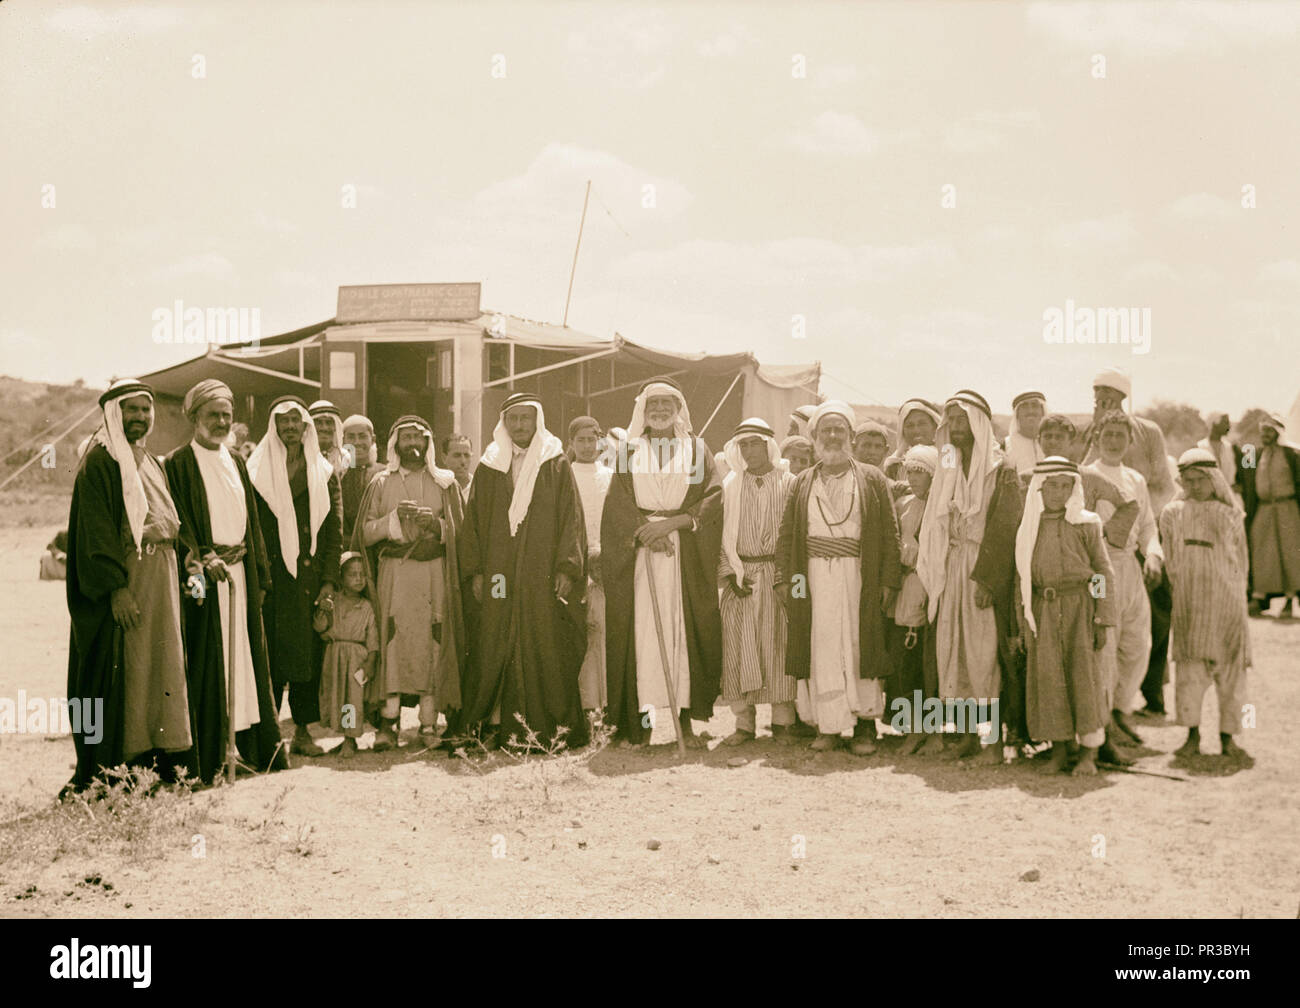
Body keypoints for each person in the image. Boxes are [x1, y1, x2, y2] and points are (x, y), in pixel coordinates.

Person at [65, 379, 192, 793]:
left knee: (159, 669)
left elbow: (166, 520)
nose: (139, 417)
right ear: (113, 413)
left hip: (161, 579)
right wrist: (116, 589)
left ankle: (157, 761)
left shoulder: (148, 459)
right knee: (130, 671)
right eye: (130, 410)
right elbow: (96, 533)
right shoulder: (100, 461)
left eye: (145, 410)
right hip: (128, 582)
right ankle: (118, 767)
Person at [164, 379, 288, 784]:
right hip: (205, 578)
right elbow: (179, 522)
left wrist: (261, 576)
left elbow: (251, 524)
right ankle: (212, 756)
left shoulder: (235, 460)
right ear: (194, 417)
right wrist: (201, 555)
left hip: (240, 575)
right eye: (212, 415)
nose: (220, 422)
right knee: (209, 663)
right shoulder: (178, 463)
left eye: (226, 415)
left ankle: (248, 750)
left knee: (247, 665)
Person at [459, 393, 588, 750]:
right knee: (495, 636)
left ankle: (547, 729)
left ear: (537, 421)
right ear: (505, 422)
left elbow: (571, 519)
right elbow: (474, 523)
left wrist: (567, 566)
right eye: (513, 418)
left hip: (540, 574)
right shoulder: (490, 466)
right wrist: (477, 572)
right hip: (499, 575)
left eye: (525, 419)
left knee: (543, 640)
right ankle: (495, 726)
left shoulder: (555, 463)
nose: (519, 425)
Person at [776, 401, 901, 754]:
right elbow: (787, 535)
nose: (833, 436)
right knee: (820, 648)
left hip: (858, 578)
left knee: (860, 646)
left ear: (850, 436)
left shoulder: (872, 478)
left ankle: (864, 728)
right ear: (814, 437)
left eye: (840, 430)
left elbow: (890, 534)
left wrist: (888, 582)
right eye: (826, 430)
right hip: (811, 578)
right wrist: (786, 582)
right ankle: (828, 727)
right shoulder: (802, 481)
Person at [603, 378, 723, 748]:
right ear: (643, 410)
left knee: (681, 635)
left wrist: (671, 525)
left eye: (666, 405)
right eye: (652, 405)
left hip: (684, 552)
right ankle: (642, 726)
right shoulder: (627, 451)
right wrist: (645, 534)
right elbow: (618, 505)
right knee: (643, 639)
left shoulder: (696, 450)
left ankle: (684, 724)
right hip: (640, 555)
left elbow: (712, 498)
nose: (659, 411)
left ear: (678, 409)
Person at [917, 390, 1022, 763]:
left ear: (978, 423)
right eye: (952, 421)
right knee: (953, 653)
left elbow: (1006, 528)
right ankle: (965, 738)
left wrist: (988, 580)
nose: (956, 428)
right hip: (952, 567)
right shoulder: (949, 462)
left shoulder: (1001, 469)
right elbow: (934, 517)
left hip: (982, 571)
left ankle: (992, 745)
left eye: (963, 420)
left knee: (983, 657)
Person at [353, 415, 466, 749]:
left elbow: (460, 533)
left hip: (433, 575)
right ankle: (388, 724)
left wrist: (436, 526)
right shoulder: (381, 483)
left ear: (428, 443)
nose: (413, 444)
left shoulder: (446, 483)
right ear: (395, 444)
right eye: (406, 438)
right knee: (392, 641)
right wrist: (393, 520)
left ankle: (428, 726)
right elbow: (364, 533)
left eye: (419, 437)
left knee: (433, 642)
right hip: (395, 574)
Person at [248, 396, 343, 758]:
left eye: (296, 421)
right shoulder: (254, 472)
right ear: (274, 426)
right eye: (283, 421)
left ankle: (303, 732)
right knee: (269, 655)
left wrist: (329, 583)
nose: (290, 427)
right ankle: (269, 737)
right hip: (271, 581)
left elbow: (334, 532)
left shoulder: (323, 472)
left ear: (305, 428)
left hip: (308, 580)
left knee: (306, 657)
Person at [1011, 458, 1115, 775]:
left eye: (1064, 485)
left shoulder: (1087, 523)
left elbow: (1101, 572)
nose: (1057, 492)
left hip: (1079, 609)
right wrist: (1023, 622)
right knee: (1049, 680)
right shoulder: (1029, 527)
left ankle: (1088, 754)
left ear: (1073, 488)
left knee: (1083, 677)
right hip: (1042, 609)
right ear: (1038, 489)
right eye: (1050, 485)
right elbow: (1021, 579)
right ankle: (1057, 750)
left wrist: (1101, 616)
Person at [1160, 449, 1251, 758]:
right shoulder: (1172, 513)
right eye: (1189, 480)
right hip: (1189, 605)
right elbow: (1171, 557)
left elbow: (1242, 562)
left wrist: (1238, 597)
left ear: (1215, 480)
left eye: (1201, 480)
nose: (1195, 486)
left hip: (1226, 603)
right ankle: (1191, 734)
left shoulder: (1231, 514)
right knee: (1189, 672)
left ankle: (1229, 737)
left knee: (1231, 673)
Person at [1083, 411, 1164, 755]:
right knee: (1105, 643)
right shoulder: (1086, 475)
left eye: (1120, 435)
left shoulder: (1136, 479)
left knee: (1137, 644)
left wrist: (1154, 554)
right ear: (1098, 437)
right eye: (1108, 434)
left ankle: (1121, 709)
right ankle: (1102, 721)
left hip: (1130, 565)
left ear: (1130, 441)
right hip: (1099, 569)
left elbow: (1146, 524)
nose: (1113, 441)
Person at [718, 419, 799, 745]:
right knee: (738, 649)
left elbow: (796, 536)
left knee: (779, 647)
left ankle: (783, 723)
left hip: (778, 577)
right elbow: (719, 538)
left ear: (769, 445)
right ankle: (743, 724)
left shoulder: (790, 482)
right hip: (741, 578)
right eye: (744, 445)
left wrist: (788, 582)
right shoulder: (729, 486)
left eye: (756, 443)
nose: (750, 451)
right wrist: (728, 574)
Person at [887, 445, 941, 754]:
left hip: (933, 589)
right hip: (907, 589)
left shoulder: (944, 508)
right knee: (906, 661)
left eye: (921, 471)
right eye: (910, 471)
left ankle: (933, 731)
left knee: (930, 664)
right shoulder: (903, 505)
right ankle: (914, 728)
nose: (914, 477)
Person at [1074, 367, 1175, 515]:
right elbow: (1081, 479)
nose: (1100, 394)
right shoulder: (1083, 431)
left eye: (1107, 390)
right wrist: (1098, 428)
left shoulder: (1148, 431)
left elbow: (1162, 485)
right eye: (1097, 389)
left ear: (1122, 395)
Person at [313, 552, 378, 757]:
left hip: (356, 661)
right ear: (341, 578)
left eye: (362, 574)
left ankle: (350, 740)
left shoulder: (366, 607)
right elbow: (321, 630)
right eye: (352, 574)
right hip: (335, 658)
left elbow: (373, 639)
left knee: (352, 700)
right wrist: (323, 612)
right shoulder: (335, 602)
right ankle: (343, 738)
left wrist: (370, 662)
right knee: (337, 698)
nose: (358, 579)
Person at [568, 416, 612, 718]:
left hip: (606, 569)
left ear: (600, 441)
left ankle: (607, 706)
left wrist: (603, 557)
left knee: (604, 635)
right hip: (574, 569)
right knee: (579, 635)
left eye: (591, 439)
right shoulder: (562, 476)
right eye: (581, 440)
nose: (587, 445)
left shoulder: (611, 476)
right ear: (571, 443)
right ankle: (582, 707)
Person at [1241, 413, 1300, 618]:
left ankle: (1290, 599)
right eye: (1263, 430)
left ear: (1278, 433)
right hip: (1263, 509)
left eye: (1269, 430)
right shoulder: (1252, 454)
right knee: (1262, 552)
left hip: (1288, 508)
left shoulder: (1292, 454)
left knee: (1290, 554)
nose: (1265, 434)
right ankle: (1259, 597)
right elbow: (1245, 477)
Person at [339, 414, 384, 542]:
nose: (357, 442)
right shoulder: (335, 474)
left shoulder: (385, 473)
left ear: (373, 439)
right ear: (343, 440)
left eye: (362, 436)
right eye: (351, 437)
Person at [883, 398, 941, 479]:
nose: (916, 430)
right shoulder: (894, 467)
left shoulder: (948, 460)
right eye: (910, 426)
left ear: (934, 426)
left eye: (922, 424)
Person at [1003, 391, 1046, 478]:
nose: (1030, 411)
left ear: (1042, 411)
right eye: (1025, 406)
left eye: (1034, 405)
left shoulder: (1054, 442)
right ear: (1017, 414)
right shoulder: (1005, 445)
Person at [1197, 412, 1240, 495]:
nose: (1229, 427)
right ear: (1215, 424)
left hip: (1231, 497)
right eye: (1225, 423)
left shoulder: (1230, 448)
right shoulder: (1200, 447)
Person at [309, 399, 348, 477]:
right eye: (319, 423)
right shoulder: (301, 455)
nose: (324, 428)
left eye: (329, 422)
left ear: (335, 427)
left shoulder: (345, 457)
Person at [441, 433, 475, 507]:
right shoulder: (438, 488)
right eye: (457, 455)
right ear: (444, 458)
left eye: (467, 455)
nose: (463, 461)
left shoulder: (480, 489)